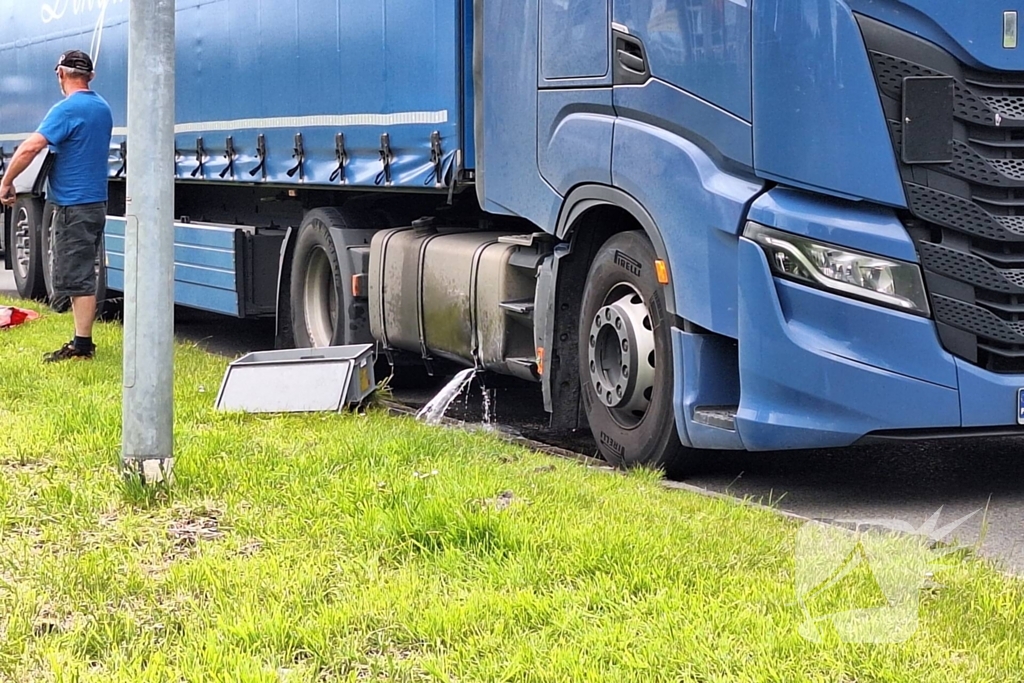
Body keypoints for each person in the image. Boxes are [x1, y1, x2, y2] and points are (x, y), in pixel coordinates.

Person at [0, 50, 113, 362]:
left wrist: (7, 181)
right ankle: (80, 342)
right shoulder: (101, 108)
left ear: (61, 74)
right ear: (91, 76)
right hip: (94, 201)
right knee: (81, 273)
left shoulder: (66, 109)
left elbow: (31, 147)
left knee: (77, 278)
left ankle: (82, 346)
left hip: (72, 206)